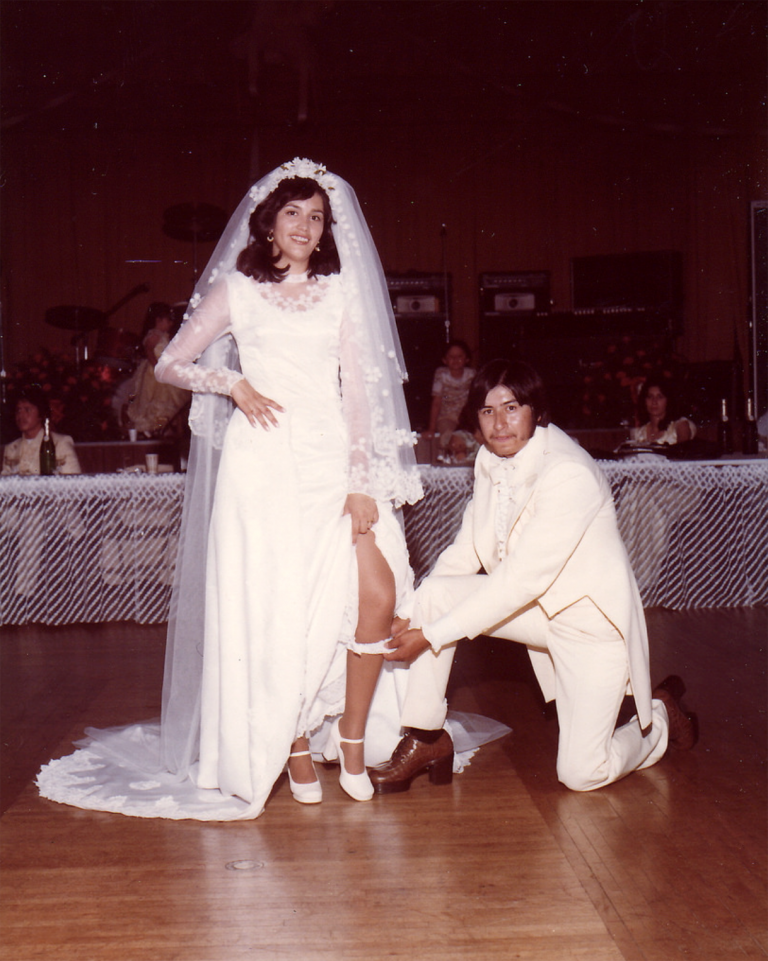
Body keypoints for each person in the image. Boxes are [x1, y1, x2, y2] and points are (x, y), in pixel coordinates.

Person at [36, 158, 425, 821]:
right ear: (270, 223)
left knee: (377, 595)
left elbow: (358, 391)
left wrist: (362, 480)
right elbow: (171, 362)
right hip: (264, 465)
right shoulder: (239, 290)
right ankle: (294, 744)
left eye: (317, 217)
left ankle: (352, 741)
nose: (305, 226)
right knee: (277, 610)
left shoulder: (338, 292)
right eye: (293, 214)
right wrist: (235, 384)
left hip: (332, 459)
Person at [371, 359, 697, 796]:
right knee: (435, 596)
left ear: (537, 412)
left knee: (583, 773)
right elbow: (464, 552)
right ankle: (426, 738)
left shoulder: (568, 472)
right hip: (538, 613)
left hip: (589, 626)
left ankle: (658, 715)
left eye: (512, 407)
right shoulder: (490, 461)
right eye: (488, 411)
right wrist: (410, 616)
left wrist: (429, 636)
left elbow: (520, 581)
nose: (499, 423)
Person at [125, 302, 189, 436]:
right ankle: (151, 427)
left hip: (163, 369)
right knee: (155, 399)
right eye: (168, 321)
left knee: (169, 401)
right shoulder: (155, 334)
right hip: (154, 372)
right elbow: (148, 350)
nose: (171, 324)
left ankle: (165, 428)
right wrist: (157, 366)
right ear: (158, 320)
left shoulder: (162, 335)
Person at [1, 386, 81, 475]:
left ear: (41, 413)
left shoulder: (59, 443)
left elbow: (73, 482)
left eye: (27, 410)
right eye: (18, 410)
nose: (21, 415)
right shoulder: (11, 448)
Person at [426, 339, 476, 448]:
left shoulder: (471, 374)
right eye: (451, 357)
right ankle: (453, 457)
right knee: (448, 435)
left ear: (467, 359)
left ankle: (470, 459)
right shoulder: (441, 374)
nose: (455, 359)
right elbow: (436, 402)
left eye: (459, 356)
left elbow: (475, 399)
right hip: (446, 416)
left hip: (465, 416)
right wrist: (432, 429)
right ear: (444, 360)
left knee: (473, 435)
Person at [631, 375, 696, 446]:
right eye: (650, 397)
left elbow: (682, 453)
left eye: (659, 397)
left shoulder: (679, 425)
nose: (654, 402)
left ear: (668, 401)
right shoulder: (639, 433)